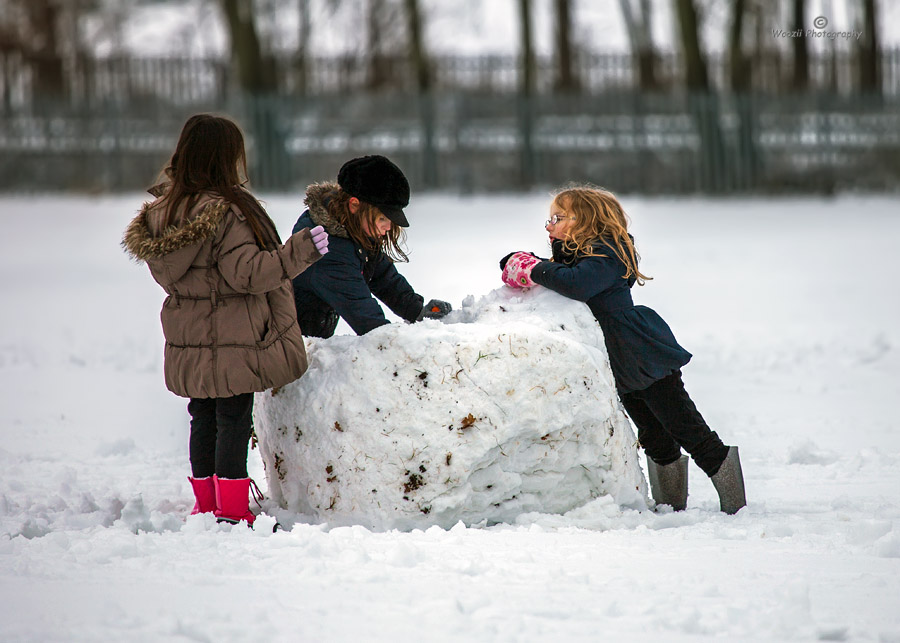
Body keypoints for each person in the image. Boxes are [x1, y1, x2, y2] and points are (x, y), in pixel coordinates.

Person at [122, 114, 330, 527]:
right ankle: (232, 510)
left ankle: (206, 503)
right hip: (234, 332)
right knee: (233, 416)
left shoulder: (164, 212)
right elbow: (248, 274)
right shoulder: (225, 213)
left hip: (191, 332)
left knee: (204, 414)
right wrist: (300, 251)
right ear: (222, 157)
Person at [500, 186, 746, 514]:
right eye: (549, 219)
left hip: (639, 351)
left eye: (557, 218)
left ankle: (735, 504)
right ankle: (670, 506)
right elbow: (564, 274)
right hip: (615, 358)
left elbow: (578, 283)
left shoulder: (610, 251)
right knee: (653, 434)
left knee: (685, 426)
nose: (549, 226)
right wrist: (519, 261)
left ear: (584, 220)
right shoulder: (576, 256)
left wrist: (532, 268)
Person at [291, 154, 451, 338]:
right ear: (354, 205)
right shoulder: (328, 249)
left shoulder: (351, 230)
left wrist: (417, 312)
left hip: (306, 342)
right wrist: (403, 345)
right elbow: (367, 321)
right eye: (383, 218)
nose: (388, 227)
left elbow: (383, 277)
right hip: (286, 350)